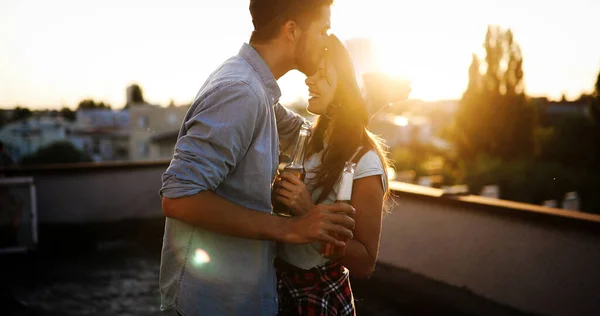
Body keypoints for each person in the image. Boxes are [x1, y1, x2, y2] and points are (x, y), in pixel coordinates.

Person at [158, 1, 356, 315]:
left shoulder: (257, 90)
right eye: (323, 30)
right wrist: (292, 228)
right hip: (213, 305)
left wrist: (368, 101)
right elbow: (179, 197)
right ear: (292, 30)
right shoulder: (241, 91)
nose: (327, 41)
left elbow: (310, 131)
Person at [273, 35, 401, 316]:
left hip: (319, 298)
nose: (309, 79)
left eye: (322, 73)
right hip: (280, 287)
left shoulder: (364, 162)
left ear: (346, 88)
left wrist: (309, 213)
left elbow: (365, 262)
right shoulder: (305, 138)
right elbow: (264, 100)